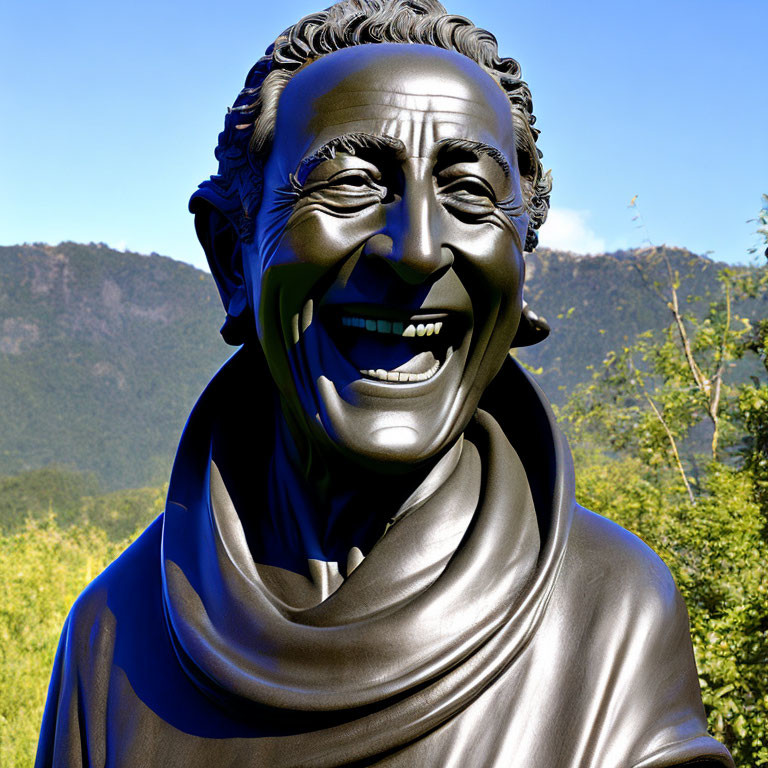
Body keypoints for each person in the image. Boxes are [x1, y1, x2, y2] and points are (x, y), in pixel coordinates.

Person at [36, 1, 734, 765]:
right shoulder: (115, 634)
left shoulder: (612, 613)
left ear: (522, 264)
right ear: (232, 257)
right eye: (351, 184)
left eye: (469, 191)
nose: (417, 251)